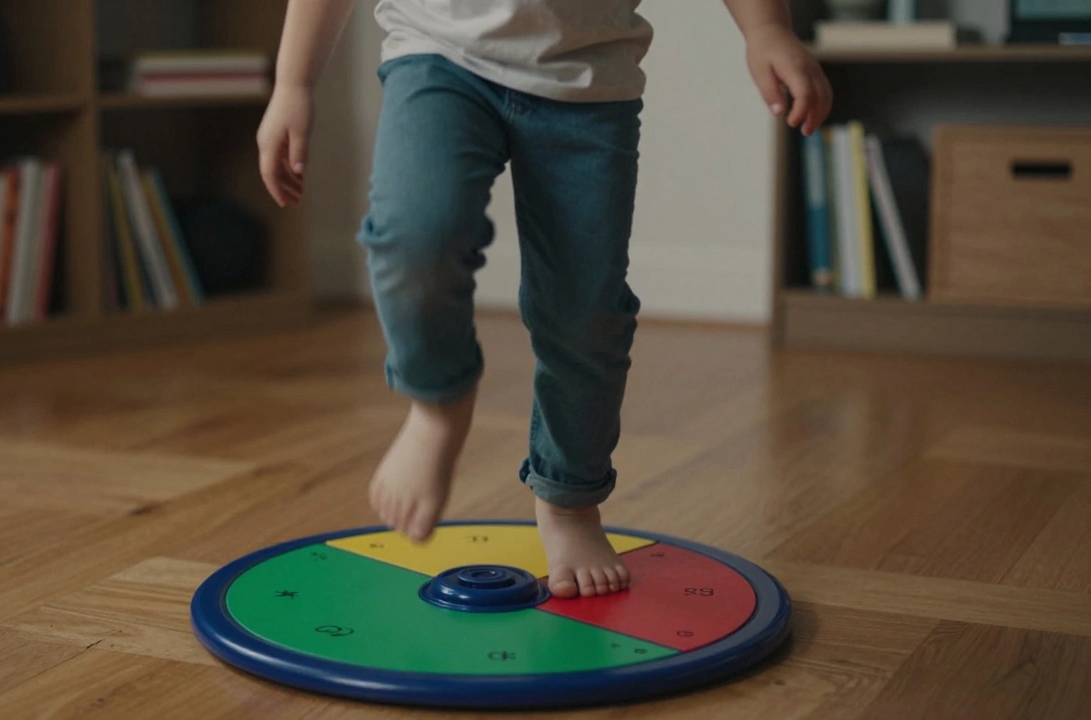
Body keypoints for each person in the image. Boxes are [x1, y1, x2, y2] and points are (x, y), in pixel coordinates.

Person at [256, 0, 831, 599]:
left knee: (586, 312)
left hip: (588, 84)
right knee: (414, 236)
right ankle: (436, 401)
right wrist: (294, 83)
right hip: (438, 56)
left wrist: (766, 28)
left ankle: (569, 502)